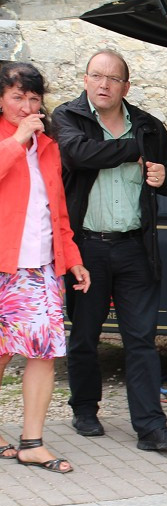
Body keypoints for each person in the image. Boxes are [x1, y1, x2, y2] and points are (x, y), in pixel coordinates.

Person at [53, 50, 167, 451]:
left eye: (113, 79)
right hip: (87, 248)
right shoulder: (68, 118)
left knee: (142, 340)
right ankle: (84, 409)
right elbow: (77, 154)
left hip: (135, 247)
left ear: (125, 87)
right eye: (97, 76)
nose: (104, 85)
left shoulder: (149, 126)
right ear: (85, 79)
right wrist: (131, 150)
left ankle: (151, 429)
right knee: (85, 335)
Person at [0, 62, 91, 473]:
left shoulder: (50, 146)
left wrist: (71, 259)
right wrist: (17, 140)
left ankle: (32, 442)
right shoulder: (14, 139)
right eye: (17, 97)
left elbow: (57, 212)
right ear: (1, 100)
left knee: (43, 351)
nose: (27, 106)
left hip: (37, 266)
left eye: (34, 99)